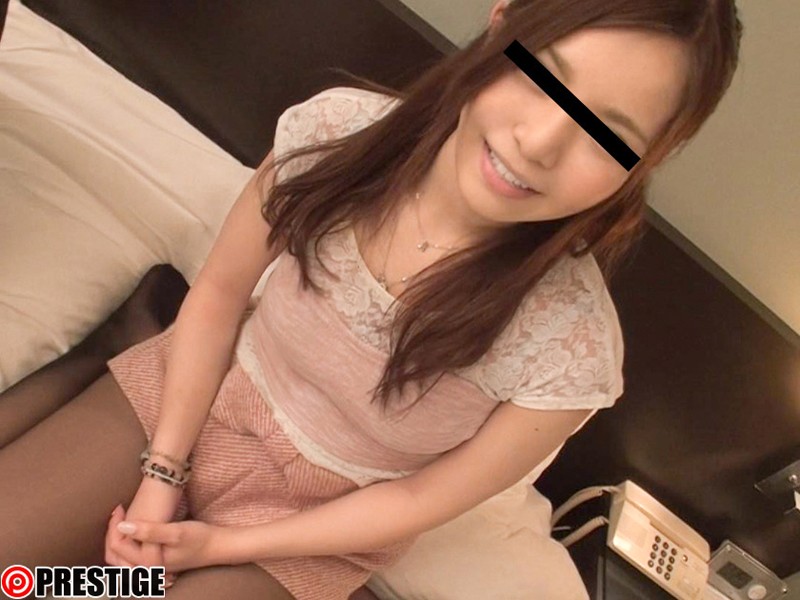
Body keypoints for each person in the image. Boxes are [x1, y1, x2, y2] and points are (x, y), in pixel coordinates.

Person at [0, 0, 743, 598]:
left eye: (606, 133)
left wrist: (219, 546)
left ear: (645, 162)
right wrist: (162, 478)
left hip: (315, 525)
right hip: (200, 403)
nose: (540, 141)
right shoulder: (335, 135)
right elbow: (220, 296)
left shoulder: (568, 353)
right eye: (542, 73)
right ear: (501, 24)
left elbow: (416, 503)